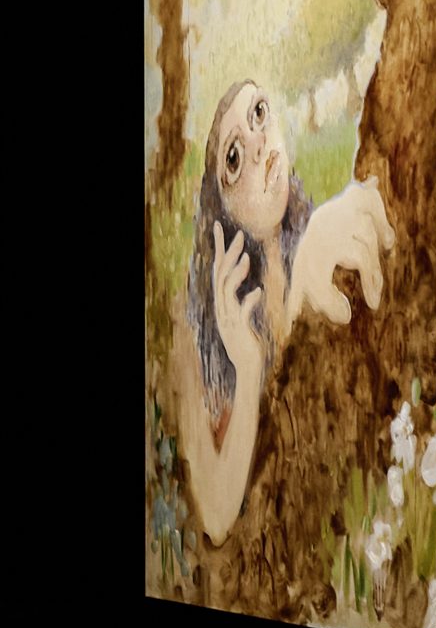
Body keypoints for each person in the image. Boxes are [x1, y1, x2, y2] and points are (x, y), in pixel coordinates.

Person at [165, 79, 396, 542]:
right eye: (234, 158)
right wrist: (248, 372)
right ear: (220, 208)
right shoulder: (190, 331)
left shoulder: (312, 241)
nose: (258, 147)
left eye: (259, 115)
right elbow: (215, 517)